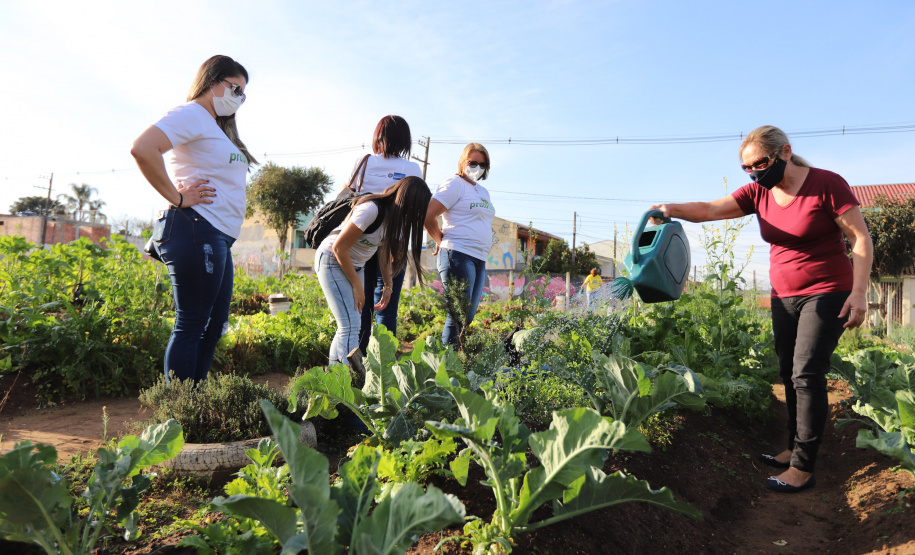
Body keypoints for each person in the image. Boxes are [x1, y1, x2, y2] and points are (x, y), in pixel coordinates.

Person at [650, 125, 872, 493]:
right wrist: (668, 209)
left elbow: (859, 238)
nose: (754, 172)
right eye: (747, 168)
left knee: (807, 373)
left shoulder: (827, 184)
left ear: (784, 152)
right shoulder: (759, 191)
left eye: (760, 163)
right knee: (787, 370)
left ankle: (803, 466)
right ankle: (791, 446)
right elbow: (708, 209)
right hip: (783, 294)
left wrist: (859, 292)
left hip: (828, 289)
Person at [131, 55, 257, 384]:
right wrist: (177, 196)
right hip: (196, 227)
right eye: (235, 89)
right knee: (192, 323)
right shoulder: (191, 115)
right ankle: (180, 411)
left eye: (243, 94)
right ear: (212, 81)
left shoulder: (215, 127)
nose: (239, 99)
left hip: (217, 236)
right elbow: (143, 148)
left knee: (214, 326)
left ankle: (194, 405)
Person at [316, 176, 431, 366]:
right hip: (332, 260)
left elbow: (382, 250)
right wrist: (357, 285)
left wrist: (388, 284)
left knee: (351, 325)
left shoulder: (393, 219)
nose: (417, 216)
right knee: (350, 326)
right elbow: (339, 248)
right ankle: (347, 381)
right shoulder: (371, 210)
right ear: (407, 202)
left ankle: (337, 375)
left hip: (354, 265)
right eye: (417, 209)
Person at [335, 116, 424, 354]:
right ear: (406, 140)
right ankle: (385, 367)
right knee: (387, 309)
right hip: (394, 242)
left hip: (360, 243)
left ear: (377, 137)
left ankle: (359, 364)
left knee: (360, 307)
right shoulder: (412, 169)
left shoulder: (363, 162)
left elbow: (340, 199)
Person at [424, 143, 496, 348]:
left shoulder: (483, 191)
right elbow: (428, 216)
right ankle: (447, 366)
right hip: (457, 253)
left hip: (479, 258)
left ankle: (451, 363)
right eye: (472, 162)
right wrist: (440, 241)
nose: (477, 167)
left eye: (483, 164)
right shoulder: (454, 184)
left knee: (467, 316)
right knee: (458, 315)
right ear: (463, 162)